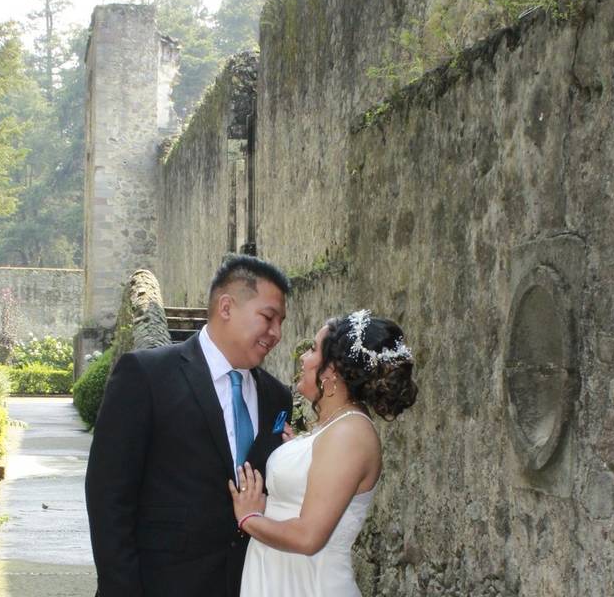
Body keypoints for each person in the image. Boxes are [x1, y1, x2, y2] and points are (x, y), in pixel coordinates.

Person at [85, 254, 294, 597]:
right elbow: (108, 495)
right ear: (226, 307)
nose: (276, 333)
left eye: (281, 322)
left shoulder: (277, 398)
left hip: (249, 583)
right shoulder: (147, 375)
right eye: (268, 318)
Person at [229, 310, 418, 597]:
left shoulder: (349, 434)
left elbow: (308, 537)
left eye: (313, 350)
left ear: (331, 371)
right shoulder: (331, 427)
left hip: (309, 586)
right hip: (281, 578)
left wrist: (248, 518)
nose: (303, 358)